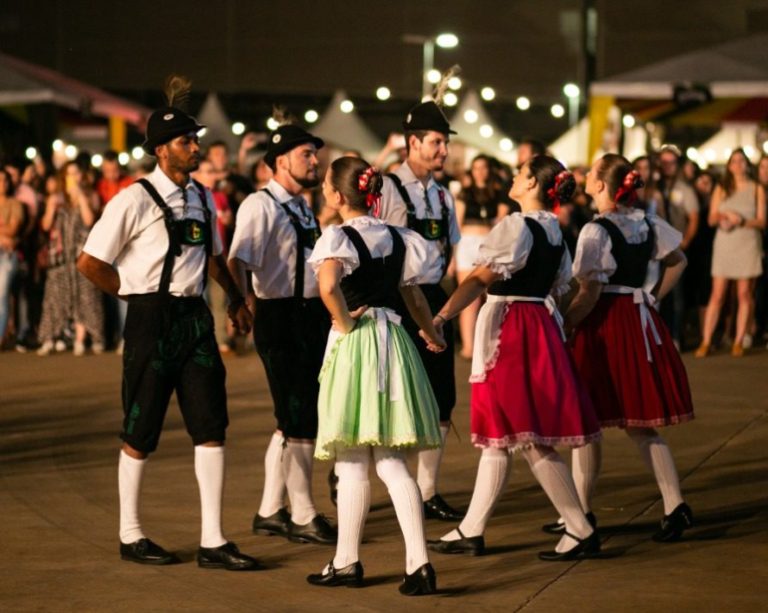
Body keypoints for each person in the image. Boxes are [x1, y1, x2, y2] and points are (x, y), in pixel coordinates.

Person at [76, 78, 259, 571]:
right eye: (186, 141)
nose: (196, 146)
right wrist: (133, 293)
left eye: (195, 140)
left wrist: (236, 301)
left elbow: (216, 258)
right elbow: (89, 261)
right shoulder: (132, 199)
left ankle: (213, 541)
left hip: (195, 318)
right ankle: (130, 533)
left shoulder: (202, 197)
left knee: (211, 426)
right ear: (161, 150)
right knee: (141, 427)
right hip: (150, 320)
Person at [426, 156, 601, 561]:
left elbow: (479, 279)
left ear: (535, 184)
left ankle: (578, 527)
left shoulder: (517, 226)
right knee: (503, 436)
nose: (514, 178)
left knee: (524, 434)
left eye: (521, 174)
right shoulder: (553, 230)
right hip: (536, 322)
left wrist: (440, 317)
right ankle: (472, 528)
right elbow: (562, 287)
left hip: (512, 327)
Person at [305, 156, 444, 595]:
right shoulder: (399, 238)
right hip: (395, 343)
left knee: (352, 461)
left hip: (358, 346)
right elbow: (413, 295)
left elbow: (328, 287)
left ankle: (348, 561)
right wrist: (430, 333)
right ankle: (419, 563)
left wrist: (344, 323)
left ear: (337, 194)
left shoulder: (337, 237)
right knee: (390, 460)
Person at [566, 153, 695, 542]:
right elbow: (679, 260)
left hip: (606, 323)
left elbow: (589, 291)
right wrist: (652, 296)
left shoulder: (597, 230)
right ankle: (675, 505)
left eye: (591, 173)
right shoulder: (645, 222)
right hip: (636, 318)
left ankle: (580, 514)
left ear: (602, 185)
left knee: (588, 424)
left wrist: (565, 324)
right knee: (642, 422)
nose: (585, 177)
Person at [228, 122, 336, 545]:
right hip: (280, 316)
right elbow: (239, 259)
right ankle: (305, 513)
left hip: (307, 316)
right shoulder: (260, 205)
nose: (315, 160)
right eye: (306, 154)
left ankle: (270, 510)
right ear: (280, 161)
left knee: (288, 419)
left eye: (314, 154)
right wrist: (241, 304)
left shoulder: (302, 206)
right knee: (301, 418)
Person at [376, 98, 463, 522]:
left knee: (442, 398)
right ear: (412, 143)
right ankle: (360, 474)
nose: (443, 150)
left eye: (444, 142)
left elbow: (450, 248)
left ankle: (427, 491)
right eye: (436, 142)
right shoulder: (389, 188)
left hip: (433, 298)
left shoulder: (444, 195)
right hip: (396, 301)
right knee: (396, 398)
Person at [696, 149, 766, 357]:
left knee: (744, 293)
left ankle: (738, 340)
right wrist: (724, 217)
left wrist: (742, 221)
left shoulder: (756, 189)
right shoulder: (722, 187)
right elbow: (710, 219)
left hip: (747, 241)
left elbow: (762, 220)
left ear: (747, 164)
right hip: (725, 243)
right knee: (717, 293)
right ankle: (706, 340)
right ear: (728, 165)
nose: (737, 164)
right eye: (733, 161)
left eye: (741, 160)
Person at [37, 161, 104, 356]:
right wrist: (50, 207)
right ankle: (49, 338)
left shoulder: (90, 196)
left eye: (76, 173)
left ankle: (81, 340)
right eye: (69, 173)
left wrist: (80, 195)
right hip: (59, 257)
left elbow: (89, 220)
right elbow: (46, 225)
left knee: (85, 297)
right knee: (54, 297)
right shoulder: (56, 199)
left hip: (81, 256)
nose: (73, 177)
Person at [454, 154, 511, 359]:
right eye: (476, 167)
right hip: (467, 243)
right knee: (468, 298)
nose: (480, 171)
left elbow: (502, 220)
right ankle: (469, 346)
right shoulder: (465, 193)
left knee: (492, 296)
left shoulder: (498, 193)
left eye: (483, 167)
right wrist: (453, 256)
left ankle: (491, 344)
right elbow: (457, 224)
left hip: (488, 243)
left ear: (489, 170)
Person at [656, 146, 699, 348]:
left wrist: (686, 241)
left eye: (670, 162)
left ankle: (675, 335)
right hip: (656, 247)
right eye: (663, 162)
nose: (667, 166)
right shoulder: (654, 187)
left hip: (675, 246)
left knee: (677, 293)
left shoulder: (684, 189)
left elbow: (693, 217)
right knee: (657, 292)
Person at [0, 168, 24, 345]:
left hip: (7, 255)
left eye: (5, 180)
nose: (3, 184)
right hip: (5, 246)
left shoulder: (15, 204)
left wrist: (8, 235)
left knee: (1, 294)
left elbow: (13, 230)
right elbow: (7, 233)